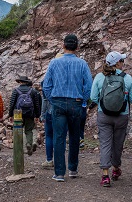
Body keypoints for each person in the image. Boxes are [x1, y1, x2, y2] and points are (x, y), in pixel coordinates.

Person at [43, 34, 92, 182]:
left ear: (63, 46)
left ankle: (59, 173)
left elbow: (46, 86)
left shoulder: (53, 63)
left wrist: (53, 100)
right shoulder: (82, 64)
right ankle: (73, 169)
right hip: (75, 103)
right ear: (77, 47)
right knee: (74, 136)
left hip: (57, 102)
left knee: (59, 137)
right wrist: (82, 99)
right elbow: (88, 86)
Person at [90, 51, 132, 187]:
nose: (123, 63)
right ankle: (116, 169)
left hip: (104, 116)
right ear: (118, 63)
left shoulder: (99, 77)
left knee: (105, 144)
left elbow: (93, 97)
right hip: (122, 116)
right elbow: (131, 98)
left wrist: (103, 105)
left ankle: (105, 176)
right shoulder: (128, 78)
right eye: (122, 61)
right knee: (118, 144)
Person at [8, 76, 41, 156]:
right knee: (29, 130)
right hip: (30, 114)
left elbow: (12, 103)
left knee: (19, 130)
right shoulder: (32, 91)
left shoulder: (16, 90)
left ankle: (20, 148)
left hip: (18, 114)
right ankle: (29, 144)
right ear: (27, 82)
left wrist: (10, 115)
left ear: (20, 82)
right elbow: (37, 105)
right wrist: (37, 116)